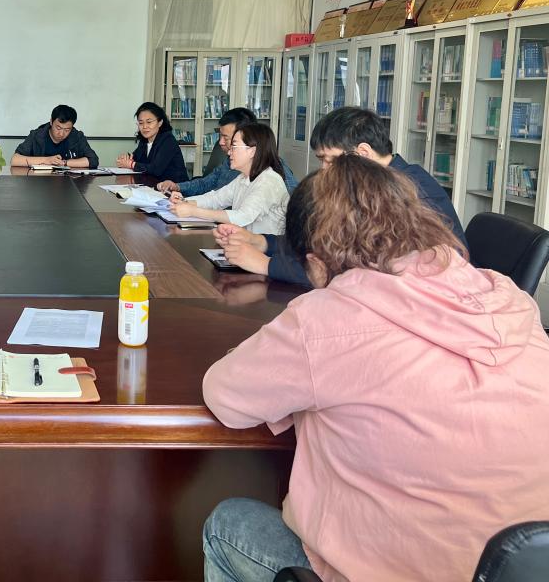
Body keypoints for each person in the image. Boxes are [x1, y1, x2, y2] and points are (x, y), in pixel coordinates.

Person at [201, 155, 549, 582]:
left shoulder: (326, 319)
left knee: (227, 525)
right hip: (526, 567)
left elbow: (226, 397)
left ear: (315, 262)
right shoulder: (507, 296)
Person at [214, 107, 467, 286]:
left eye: (329, 160)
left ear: (362, 153)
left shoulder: (406, 192)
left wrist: (266, 265)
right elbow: (330, 245)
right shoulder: (374, 184)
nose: (324, 170)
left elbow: (354, 272)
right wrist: (262, 242)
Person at [170, 123, 288, 235]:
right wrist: (185, 202)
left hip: (266, 248)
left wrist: (193, 211)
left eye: (234, 147)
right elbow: (216, 199)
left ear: (252, 151)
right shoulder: (243, 177)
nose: (229, 152)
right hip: (243, 242)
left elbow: (242, 216)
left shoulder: (268, 181)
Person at [157, 108, 297, 196]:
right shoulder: (229, 162)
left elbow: (296, 202)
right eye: (220, 136)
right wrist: (177, 186)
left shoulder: (274, 167)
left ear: (247, 136)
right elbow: (206, 184)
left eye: (226, 138)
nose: (220, 142)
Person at [116, 101, 187, 183]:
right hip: (152, 186)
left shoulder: (168, 140)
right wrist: (126, 159)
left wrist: (131, 164)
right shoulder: (144, 141)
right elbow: (136, 158)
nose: (145, 126)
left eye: (149, 122)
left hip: (175, 188)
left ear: (160, 122)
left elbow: (156, 169)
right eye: (141, 123)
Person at [10, 104, 99, 169]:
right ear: (51, 122)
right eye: (58, 128)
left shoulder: (77, 136)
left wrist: (64, 163)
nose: (61, 133)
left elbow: (93, 160)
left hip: (68, 184)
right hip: (40, 183)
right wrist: (46, 160)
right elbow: (15, 160)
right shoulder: (37, 135)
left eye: (67, 130)